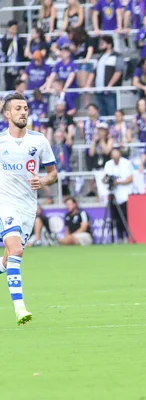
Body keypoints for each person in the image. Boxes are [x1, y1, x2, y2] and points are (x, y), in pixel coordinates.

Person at [0, 92, 58, 325]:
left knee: (7, 261)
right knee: (17, 251)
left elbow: (53, 173)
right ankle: (20, 308)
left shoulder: (39, 140)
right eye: (17, 108)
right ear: (7, 114)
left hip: (27, 208)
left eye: (25, 108)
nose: (23, 112)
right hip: (5, 204)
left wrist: (43, 181)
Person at [103, 149, 134, 243]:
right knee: (114, 217)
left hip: (124, 194)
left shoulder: (126, 163)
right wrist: (107, 181)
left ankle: (127, 236)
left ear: (120, 155)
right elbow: (105, 178)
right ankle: (119, 237)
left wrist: (118, 182)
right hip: (113, 194)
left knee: (124, 217)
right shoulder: (108, 164)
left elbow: (130, 179)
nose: (115, 159)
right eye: (113, 157)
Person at [89, 36, 125, 117]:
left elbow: (118, 72)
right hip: (99, 90)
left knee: (111, 113)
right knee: (101, 114)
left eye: (102, 43)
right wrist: (88, 85)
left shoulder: (117, 56)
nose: (100, 45)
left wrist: (110, 85)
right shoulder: (99, 57)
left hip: (110, 91)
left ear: (109, 44)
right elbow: (93, 72)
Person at [1, 20, 26, 91]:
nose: (14, 31)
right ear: (9, 28)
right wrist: (10, 40)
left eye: (15, 29)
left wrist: (22, 68)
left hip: (17, 66)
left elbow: (21, 54)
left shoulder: (19, 39)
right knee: (8, 86)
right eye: (12, 29)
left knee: (17, 85)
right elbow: (4, 51)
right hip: (7, 66)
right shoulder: (3, 40)